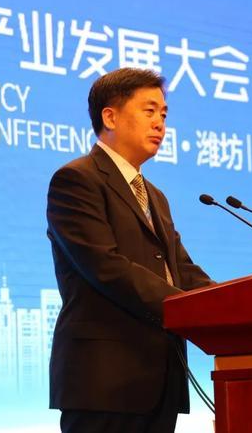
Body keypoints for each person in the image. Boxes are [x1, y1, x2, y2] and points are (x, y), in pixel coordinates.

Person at [46, 67, 214, 433]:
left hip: (159, 381)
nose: (160, 123)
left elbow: (182, 270)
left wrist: (229, 305)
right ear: (110, 117)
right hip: (104, 381)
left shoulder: (155, 197)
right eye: (149, 111)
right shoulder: (77, 180)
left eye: (163, 114)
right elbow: (106, 267)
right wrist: (185, 308)